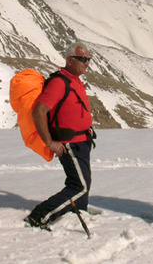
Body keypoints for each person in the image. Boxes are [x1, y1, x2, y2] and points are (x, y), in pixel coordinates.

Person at [24, 42, 96, 230]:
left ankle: (77, 211)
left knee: (82, 182)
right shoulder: (59, 82)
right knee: (79, 186)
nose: (86, 63)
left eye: (88, 59)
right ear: (70, 60)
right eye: (82, 59)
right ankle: (39, 215)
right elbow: (39, 112)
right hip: (70, 144)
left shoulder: (75, 80)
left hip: (82, 142)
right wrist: (50, 143)